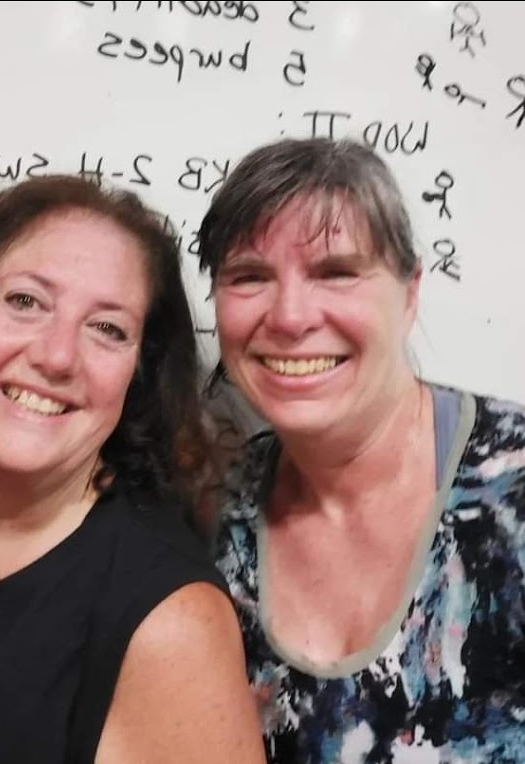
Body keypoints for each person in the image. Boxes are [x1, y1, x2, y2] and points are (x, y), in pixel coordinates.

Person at [0, 174, 266, 764]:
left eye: (107, 329)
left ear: (135, 379)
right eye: (25, 302)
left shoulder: (171, 623)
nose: (57, 356)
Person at [199, 136, 525, 761]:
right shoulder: (221, 509)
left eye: (336, 273)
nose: (290, 317)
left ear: (410, 293)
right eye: (249, 276)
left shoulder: (510, 482)